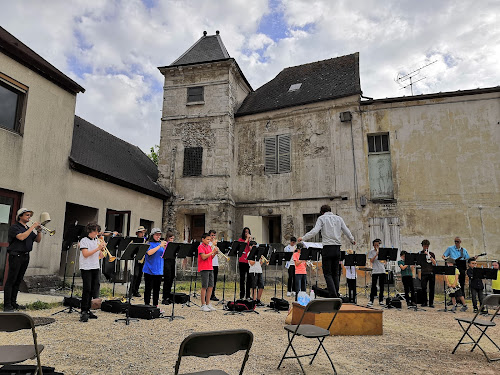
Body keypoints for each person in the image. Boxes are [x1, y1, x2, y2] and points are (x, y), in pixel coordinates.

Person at [298, 205, 355, 298]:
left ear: (321, 212)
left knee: (327, 273)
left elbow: (314, 231)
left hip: (327, 248)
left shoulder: (322, 218)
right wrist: (352, 240)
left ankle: (333, 295)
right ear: (330, 210)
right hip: (337, 248)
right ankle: (336, 292)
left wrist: (303, 238)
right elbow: (346, 230)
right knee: (335, 273)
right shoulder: (339, 218)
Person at [4, 208, 42, 311]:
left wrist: (38, 231)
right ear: (20, 216)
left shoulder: (28, 228)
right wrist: (32, 227)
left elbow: (37, 240)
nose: (29, 217)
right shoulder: (15, 227)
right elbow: (21, 237)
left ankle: (13, 303)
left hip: (25, 256)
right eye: (27, 215)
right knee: (11, 280)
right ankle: (7, 305)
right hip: (16, 255)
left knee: (18, 280)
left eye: (30, 215)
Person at [79, 223, 105, 322]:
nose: (97, 233)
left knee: (94, 288)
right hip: (86, 267)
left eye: (98, 231)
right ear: (90, 231)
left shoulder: (97, 241)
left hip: (95, 266)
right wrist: (98, 248)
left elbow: (100, 256)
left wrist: (102, 250)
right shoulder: (84, 240)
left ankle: (89, 309)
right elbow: (85, 254)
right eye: (95, 231)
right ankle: (83, 311)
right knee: (87, 289)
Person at [143, 228, 166, 307]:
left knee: (157, 289)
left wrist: (166, 247)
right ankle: (146, 305)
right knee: (148, 289)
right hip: (149, 269)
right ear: (152, 235)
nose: (158, 236)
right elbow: (149, 252)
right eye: (157, 235)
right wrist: (160, 246)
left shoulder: (161, 244)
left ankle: (155, 305)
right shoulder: (149, 243)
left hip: (159, 269)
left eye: (159, 235)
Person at [198, 233, 217, 312]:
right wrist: (212, 252)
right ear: (203, 239)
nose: (209, 241)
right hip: (204, 268)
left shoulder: (209, 247)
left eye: (210, 239)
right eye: (208, 239)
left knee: (210, 286)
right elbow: (204, 257)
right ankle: (203, 304)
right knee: (204, 286)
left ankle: (208, 303)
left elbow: (210, 257)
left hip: (210, 267)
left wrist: (214, 253)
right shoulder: (200, 247)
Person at [130, 226, 147, 298]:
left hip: (142, 259)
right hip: (136, 259)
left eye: (143, 232)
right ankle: (131, 290)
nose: (142, 234)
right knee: (135, 275)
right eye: (141, 232)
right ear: (138, 233)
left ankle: (136, 290)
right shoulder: (134, 240)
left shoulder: (145, 240)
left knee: (140, 275)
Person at [367, 239, 385, 307]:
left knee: (382, 286)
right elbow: (371, 261)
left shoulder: (382, 251)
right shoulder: (371, 251)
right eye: (375, 245)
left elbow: (384, 261)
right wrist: (376, 254)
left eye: (377, 245)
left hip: (382, 270)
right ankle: (371, 300)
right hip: (375, 270)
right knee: (373, 286)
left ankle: (381, 300)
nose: (376, 246)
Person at [419, 239, 436, 308]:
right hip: (424, 272)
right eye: (425, 246)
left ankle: (431, 303)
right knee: (423, 288)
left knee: (432, 288)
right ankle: (424, 302)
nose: (426, 247)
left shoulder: (432, 254)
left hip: (431, 272)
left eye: (427, 246)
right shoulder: (420, 254)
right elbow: (418, 262)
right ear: (422, 246)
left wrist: (429, 255)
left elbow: (435, 263)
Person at [161, 231, 176, 304]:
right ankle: (165, 297)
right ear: (167, 238)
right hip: (166, 261)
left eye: (173, 238)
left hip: (172, 261)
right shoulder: (164, 243)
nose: (172, 240)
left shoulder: (173, 245)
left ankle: (169, 295)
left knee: (171, 277)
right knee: (167, 278)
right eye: (171, 238)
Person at [238, 227, 252, 299]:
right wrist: (246, 240)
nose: (247, 233)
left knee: (249, 279)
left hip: (248, 261)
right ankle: (242, 295)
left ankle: (248, 295)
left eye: (248, 232)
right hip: (242, 261)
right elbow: (242, 247)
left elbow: (251, 250)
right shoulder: (240, 240)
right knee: (242, 278)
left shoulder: (250, 241)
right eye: (246, 232)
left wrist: (250, 241)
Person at [209, 230, 220, 301]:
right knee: (210, 280)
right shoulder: (209, 244)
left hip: (215, 263)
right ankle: (208, 294)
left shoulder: (215, 244)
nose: (213, 237)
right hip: (210, 263)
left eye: (214, 235)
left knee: (214, 279)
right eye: (212, 235)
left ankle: (213, 294)